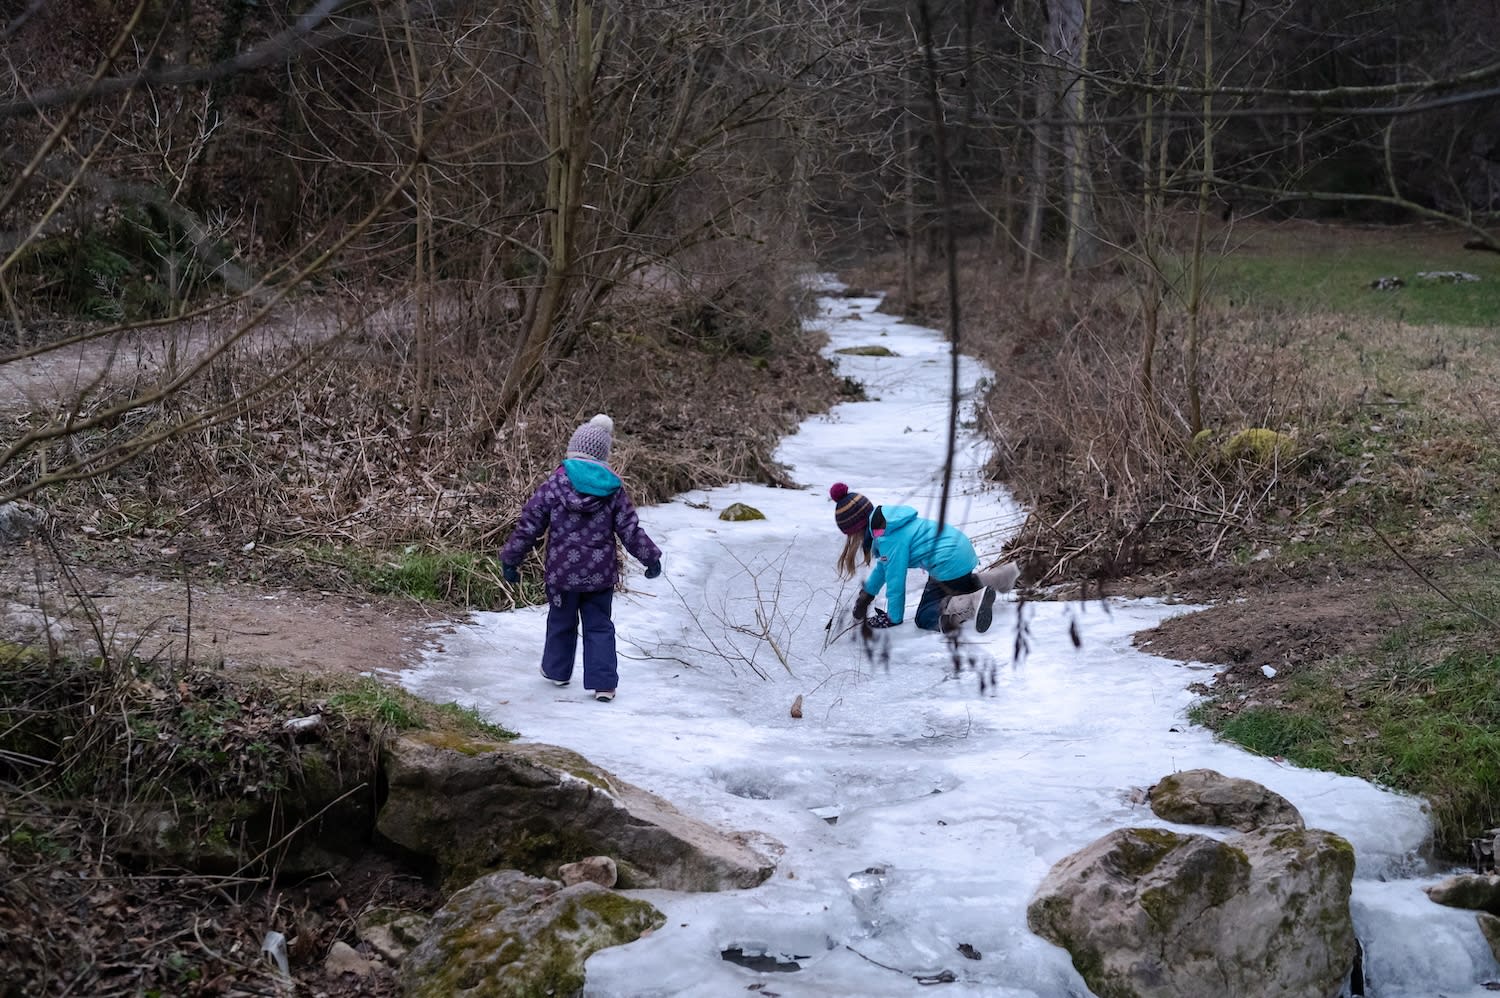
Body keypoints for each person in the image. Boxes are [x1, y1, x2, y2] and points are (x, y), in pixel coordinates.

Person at [500, 414, 662, 702]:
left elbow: (530, 523)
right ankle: (604, 685)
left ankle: (556, 671)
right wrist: (650, 558)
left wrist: (512, 558)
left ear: (573, 450)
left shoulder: (555, 483)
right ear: (603, 455)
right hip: (599, 575)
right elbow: (629, 529)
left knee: (561, 620)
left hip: (562, 573)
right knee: (599, 625)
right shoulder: (612, 489)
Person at [830, 482, 1019, 633]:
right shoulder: (886, 524)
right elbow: (883, 568)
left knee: (926, 616)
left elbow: (895, 578)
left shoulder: (888, 538)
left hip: (946, 560)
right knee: (958, 583)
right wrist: (867, 595)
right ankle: (1001, 576)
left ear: (857, 529)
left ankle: (972, 601)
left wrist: (893, 618)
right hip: (958, 551)